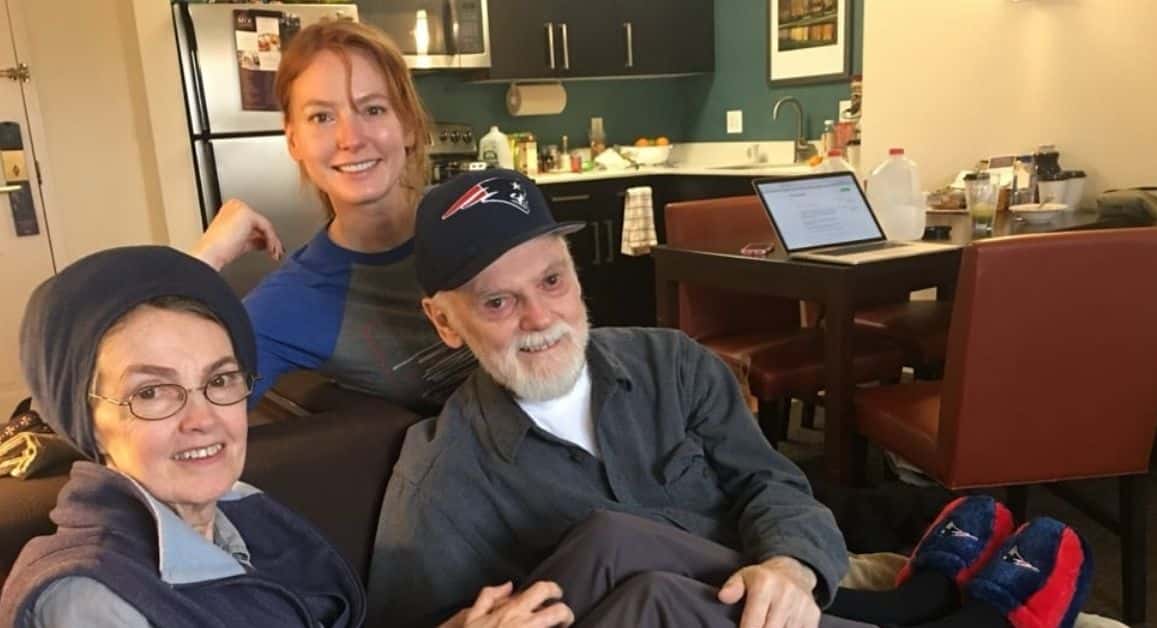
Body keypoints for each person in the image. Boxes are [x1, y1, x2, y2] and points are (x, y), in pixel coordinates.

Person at [367, 169, 1095, 628]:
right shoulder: (440, 481)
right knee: (651, 592)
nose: (540, 318)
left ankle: (910, 603)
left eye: (552, 281)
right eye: (498, 302)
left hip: (769, 595)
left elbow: (771, 483)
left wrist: (790, 567)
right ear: (444, 322)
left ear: (576, 274)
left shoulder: (671, 363)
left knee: (617, 540)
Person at [0, 246, 573, 628]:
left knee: (610, 553)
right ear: (88, 418)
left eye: (220, 380)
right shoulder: (87, 598)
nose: (201, 418)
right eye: (152, 392)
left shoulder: (239, 511)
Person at [190, 20, 473, 414]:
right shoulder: (296, 299)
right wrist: (203, 261)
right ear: (293, 140)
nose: (351, 138)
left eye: (373, 109)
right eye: (322, 117)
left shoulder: (476, 219)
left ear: (408, 126)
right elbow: (177, 403)